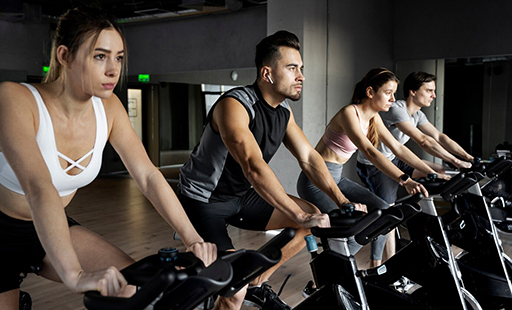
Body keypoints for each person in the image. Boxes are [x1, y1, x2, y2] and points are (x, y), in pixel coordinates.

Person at [0, 7, 216, 309]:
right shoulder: (16, 98)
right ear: (64, 56)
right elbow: (39, 187)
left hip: (49, 226)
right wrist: (74, 275)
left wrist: (192, 238)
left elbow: (148, 176)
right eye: (100, 56)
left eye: (119, 57)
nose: (113, 70)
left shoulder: (109, 108)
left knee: (133, 289)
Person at [177, 30, 364, 310]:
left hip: (240, 196)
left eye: (301, 69)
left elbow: (310, 158)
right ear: (267, 73)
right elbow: (253, 166)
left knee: (310, 219)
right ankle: (237, 289)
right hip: (203, 201)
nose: (301, 76)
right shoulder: (235, 105)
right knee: (232, 292)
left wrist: (342, 200)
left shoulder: (283, 112)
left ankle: (257, 283)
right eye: (292, 68)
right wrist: (296, 213)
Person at [297, 68, 448, 267]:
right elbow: (370, 152)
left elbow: (397, 148)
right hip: (316, 181)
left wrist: (431, 172)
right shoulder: (349, 113)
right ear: (370, 92)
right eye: (388, 93)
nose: (393, 99)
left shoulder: (374, 118)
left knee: (384, 210)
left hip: (338, 178)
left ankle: (332, 269)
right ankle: (327, 276)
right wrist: (404, 179)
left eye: (394, 94)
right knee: (346, 230)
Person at [357, 71, 473, 205]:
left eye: (433, 91)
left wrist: (468, 157)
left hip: (395, 158)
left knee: (438, 170)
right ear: (413, 91)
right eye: (429, 91)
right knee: (388, 207)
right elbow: (424, 141)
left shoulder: (418, 115)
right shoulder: (396, 110)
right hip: (374, 165)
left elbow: (440, 137)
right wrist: (456, 161)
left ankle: (421, 213)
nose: (434, 95)